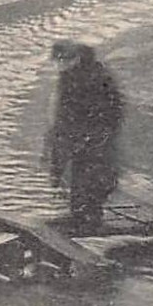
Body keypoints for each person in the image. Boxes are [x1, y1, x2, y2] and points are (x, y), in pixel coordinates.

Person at [46, 40, 123, 234]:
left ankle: (91, 220)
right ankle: (80, 215)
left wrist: (95, 134)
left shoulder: (98, 76)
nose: (59, 66)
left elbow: (113, 110)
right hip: (78, 139)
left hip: (96, 139)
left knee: (93, 179)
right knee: (78, 179)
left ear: (75, 59)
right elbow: (63, 111)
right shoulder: (68, 76)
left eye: (62, 61)